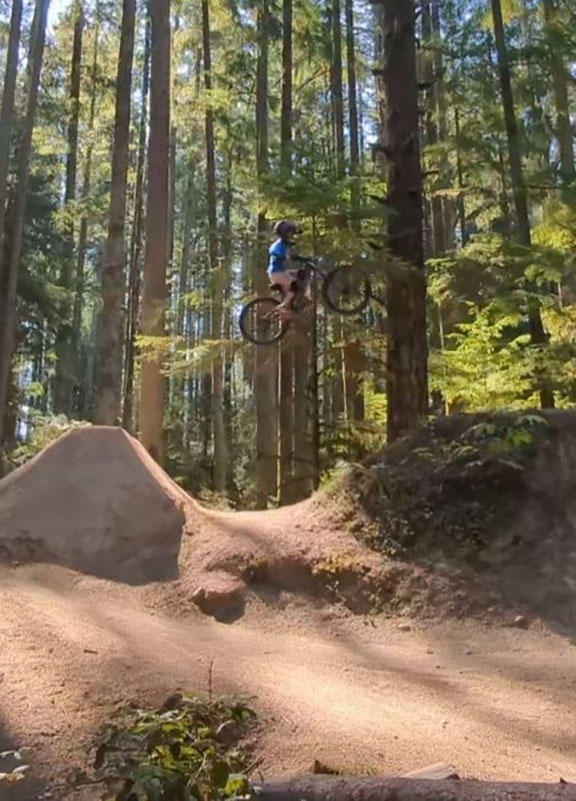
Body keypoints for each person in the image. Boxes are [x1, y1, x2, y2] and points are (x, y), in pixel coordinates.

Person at [268, 220, 309, 315]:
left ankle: (301, 299)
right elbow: (284, 256)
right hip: (277, 273)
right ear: (285, 234)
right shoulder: (279, 246)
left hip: (280, 272)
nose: (292, 236)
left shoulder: (283, 244)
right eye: (290, 234)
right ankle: (283, 305)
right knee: (294, 286)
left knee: (301, 273)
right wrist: (299, 258)